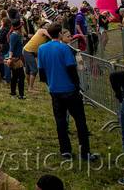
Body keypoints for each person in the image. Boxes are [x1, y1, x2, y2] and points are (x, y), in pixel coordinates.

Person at [37, 22, 97, 161]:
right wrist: (77, 86)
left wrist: (50, 83)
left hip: (54, 90)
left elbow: (41, 71)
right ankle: (85, 152)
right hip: (69, 89)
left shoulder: (42, 49)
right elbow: (71, 68)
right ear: (59, 34)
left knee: (60, 121)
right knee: (80, 121)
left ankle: (65, 151)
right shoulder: (65, 48)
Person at [8, 21, 26, 99]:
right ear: (19, 28)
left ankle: (13, 93)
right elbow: (11, 48)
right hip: (15, 59)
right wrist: (10, 58)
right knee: (21, 77)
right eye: (21, 26)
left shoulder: (18, 35)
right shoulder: (14, 36)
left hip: (17, 58)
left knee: (15, 76)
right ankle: (20, 95)